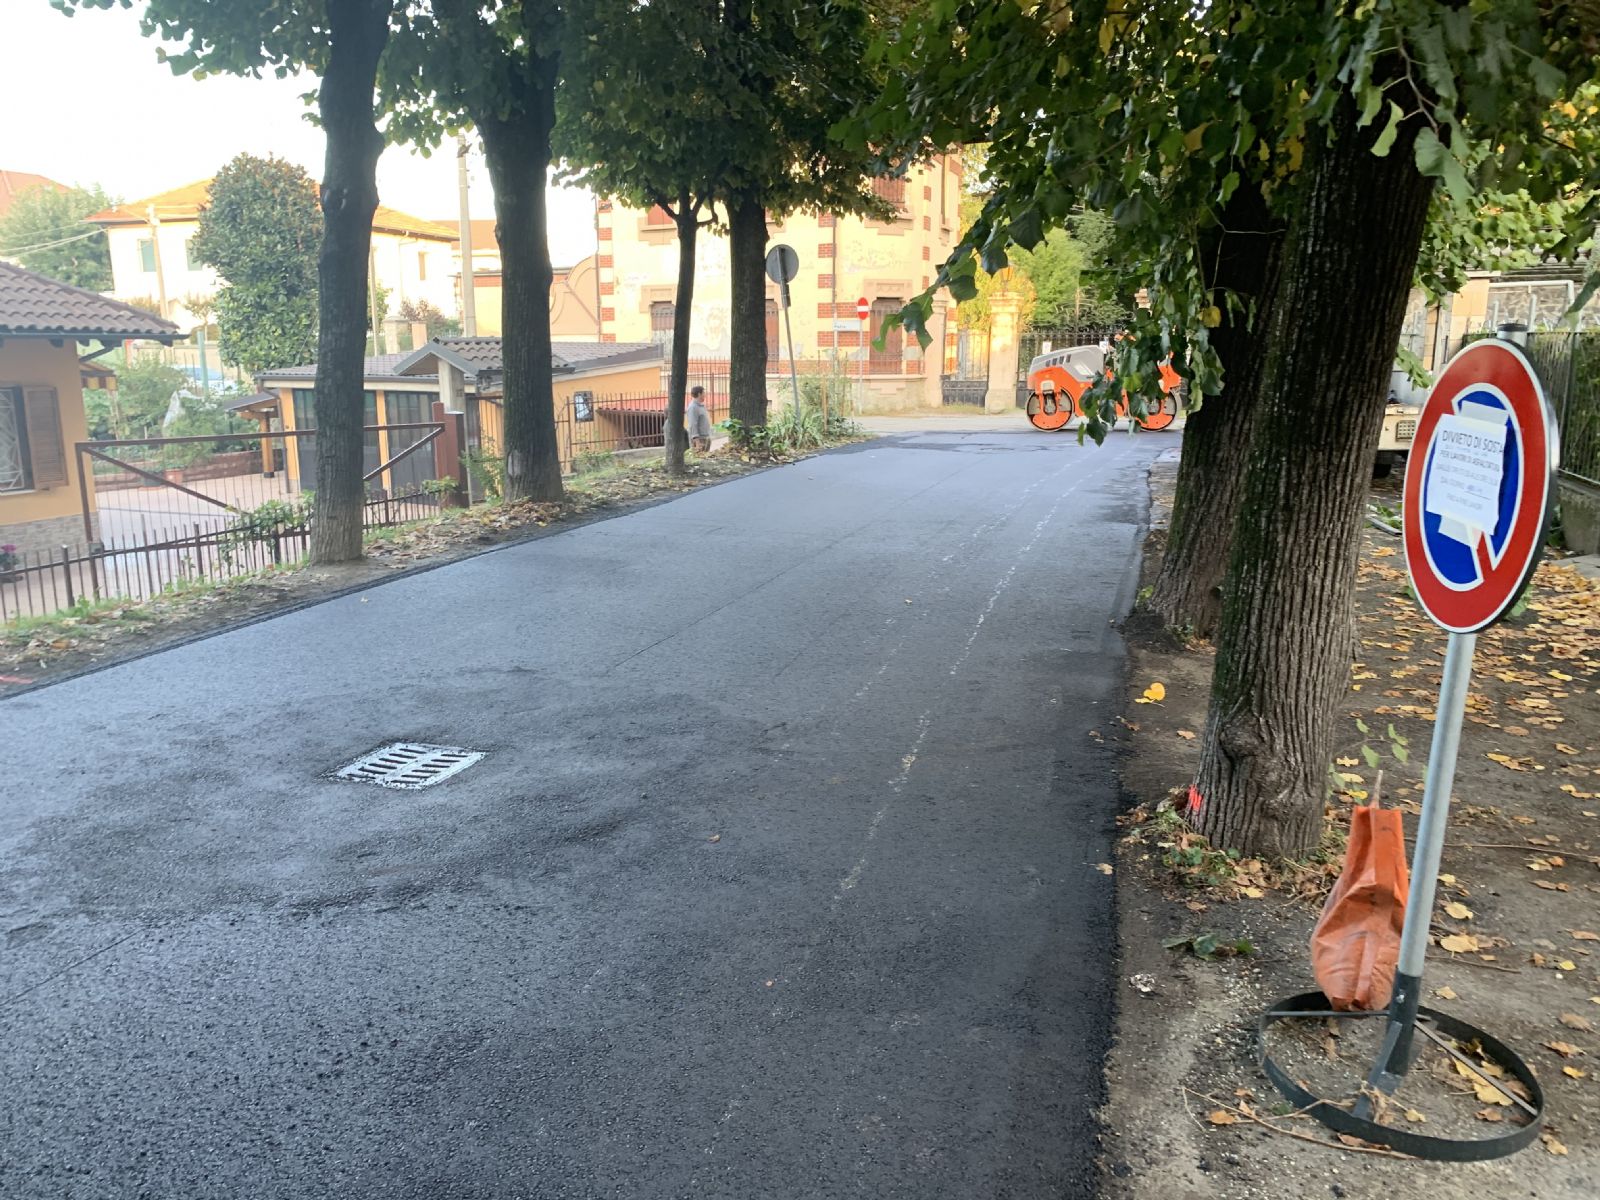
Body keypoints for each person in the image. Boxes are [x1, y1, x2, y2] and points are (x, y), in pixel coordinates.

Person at [686, 386, 713, 453]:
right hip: (700, 440)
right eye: (703, 393)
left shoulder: (701, 406)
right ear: (699, 394)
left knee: (705, 457)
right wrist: (696, 441)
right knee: (699, 457)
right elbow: (692, 424)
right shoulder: (693, 407)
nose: (705, 395)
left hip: (705, 438)